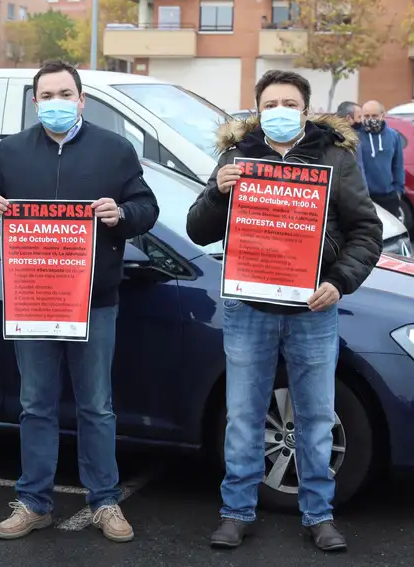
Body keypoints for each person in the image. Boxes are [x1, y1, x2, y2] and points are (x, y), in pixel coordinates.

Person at [186, 70, 383, 551]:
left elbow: (366, 230)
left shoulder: (335, 158)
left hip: (313, 309)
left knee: (316, 417)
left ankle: (318, 515)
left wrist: (339, 282)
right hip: (250, 308)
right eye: (270, 104)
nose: (279, 111)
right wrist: (218, 192)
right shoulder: (236, 157)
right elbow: (197, 229)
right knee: (243, 416)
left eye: (288, 103)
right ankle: (236, 512)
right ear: (257, 111)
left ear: (305, 108)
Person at [0, 61, 159, 544]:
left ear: (81, 100)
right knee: (35, 404)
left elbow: (147, 209)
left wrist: (120, 213)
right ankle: (34, 502)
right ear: (34, 102)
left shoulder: (115, 151)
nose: (56, 103)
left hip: (94, 300)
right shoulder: (13, 153)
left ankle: (104, 502)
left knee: (96, 406)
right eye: (46, 95)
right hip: (32, 300)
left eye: (65, 94)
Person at [359, 100, 406, 221]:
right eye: (366, 116)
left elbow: (398, 165)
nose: (370, 119)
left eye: (374, 116)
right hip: (364, 198)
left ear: (383, 115)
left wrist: (398, 191)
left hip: (388, 197)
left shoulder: (393, 136)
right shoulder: (356, 136)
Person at [334, 101, 366, 178]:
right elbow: (358, 169)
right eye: (359, 117)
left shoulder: (329, 134)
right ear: (348, 118)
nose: (362, 121)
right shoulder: (349, 140)